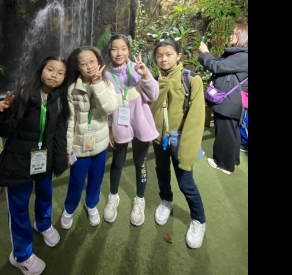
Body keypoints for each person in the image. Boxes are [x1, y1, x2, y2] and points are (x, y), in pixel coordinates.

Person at [0, 56, 70, 275]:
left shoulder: (59, 99)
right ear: (41, 70)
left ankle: (43, 223)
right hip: (19, 162)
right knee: (19, 207)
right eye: (51, 69)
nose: (55, 75)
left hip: (44, 160)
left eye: (60, 73)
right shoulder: (22, 95)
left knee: (45, 194)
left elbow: (59, 133)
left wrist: (59, 161)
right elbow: (0, 129)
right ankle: (21, 254)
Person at [150, 39, 207, 249]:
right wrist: (159, 86)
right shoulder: (154, 79)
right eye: (159, 55)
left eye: (168, 54)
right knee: (162, 171)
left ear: (178, 56)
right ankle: (166, 200)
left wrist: (187, 151)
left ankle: (199, 219)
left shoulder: (191, 79)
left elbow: (196, 118)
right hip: (159, 137)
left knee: (186, 182)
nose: (163, 59)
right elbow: (151, 110)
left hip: (181, 137)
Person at [102, 34, 159, 226]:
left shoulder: (138, 68)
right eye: (114, 49)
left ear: (129, 50)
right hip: (119, 125)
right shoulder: (105, 75)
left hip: (141, 125)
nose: (119, 53)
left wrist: (145, 75)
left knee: (140, 163)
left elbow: (153, 95)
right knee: (117, 162)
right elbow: (105, 106)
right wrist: (110, 128)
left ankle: (140, 199)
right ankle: (113, 196)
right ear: (109, 52)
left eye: (123, 48)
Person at [60, 46, 118, 229]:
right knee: (76, 181)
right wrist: (68, 149)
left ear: (99, 62)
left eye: (92, 61)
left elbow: (109, 109)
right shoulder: (72, 90)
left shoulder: (106, 84)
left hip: (100, 145)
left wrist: (98, 84)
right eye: (83, 63)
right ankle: (69, 208)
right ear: (77, 67)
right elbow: (70, 121)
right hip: (80, 146)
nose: (89, 66)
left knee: (96, 178)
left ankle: (91, 205)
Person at [198, 24, 248, 175]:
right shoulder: (237, 54)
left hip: (230, 100)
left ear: (243, 36)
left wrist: (205, 53)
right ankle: (233, 161)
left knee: (225, 133)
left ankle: (224, 164)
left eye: (235, 33)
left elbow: (215, 66)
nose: (231, 36)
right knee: (231, 132)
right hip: (230, 99)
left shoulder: (244, 57)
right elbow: (219, 64)